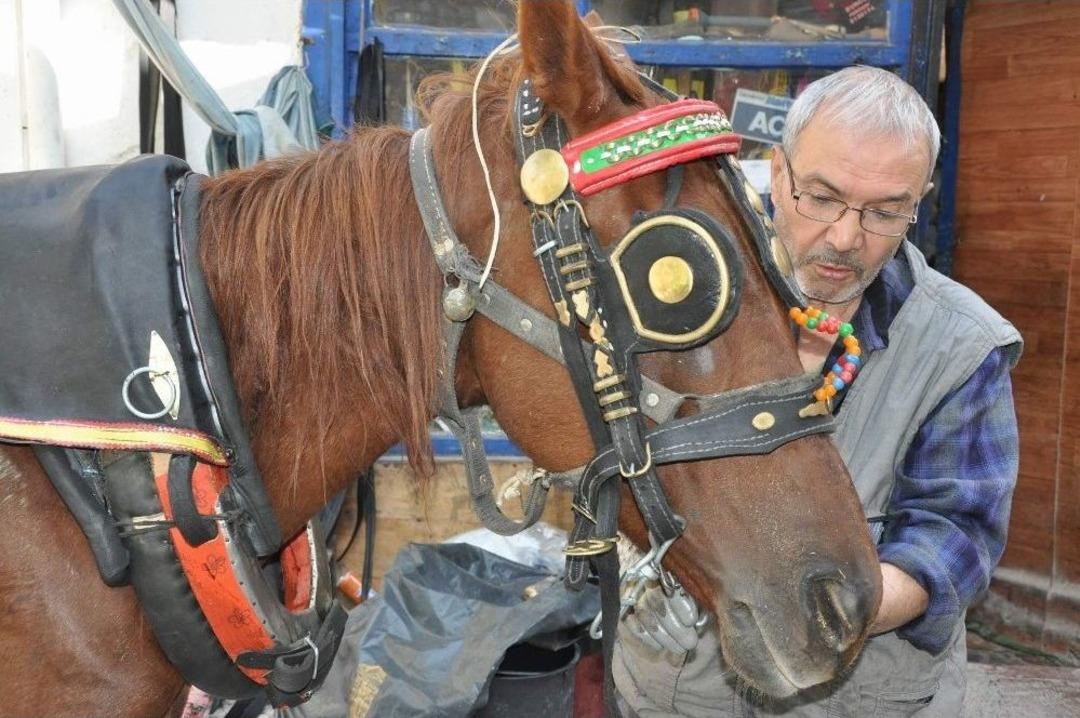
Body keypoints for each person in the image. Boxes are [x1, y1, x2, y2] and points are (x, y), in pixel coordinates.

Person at [613, 65, 1023, 717]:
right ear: (777, 174)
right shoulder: (676, 295)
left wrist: (826, 612)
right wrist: (638, 567)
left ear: (917, 205)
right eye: (823, 198)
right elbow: (611, 457)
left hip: (859, 698)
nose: (845, 237)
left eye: (885, 212)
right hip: (682, 693)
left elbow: (955, 536)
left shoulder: (960, 347)